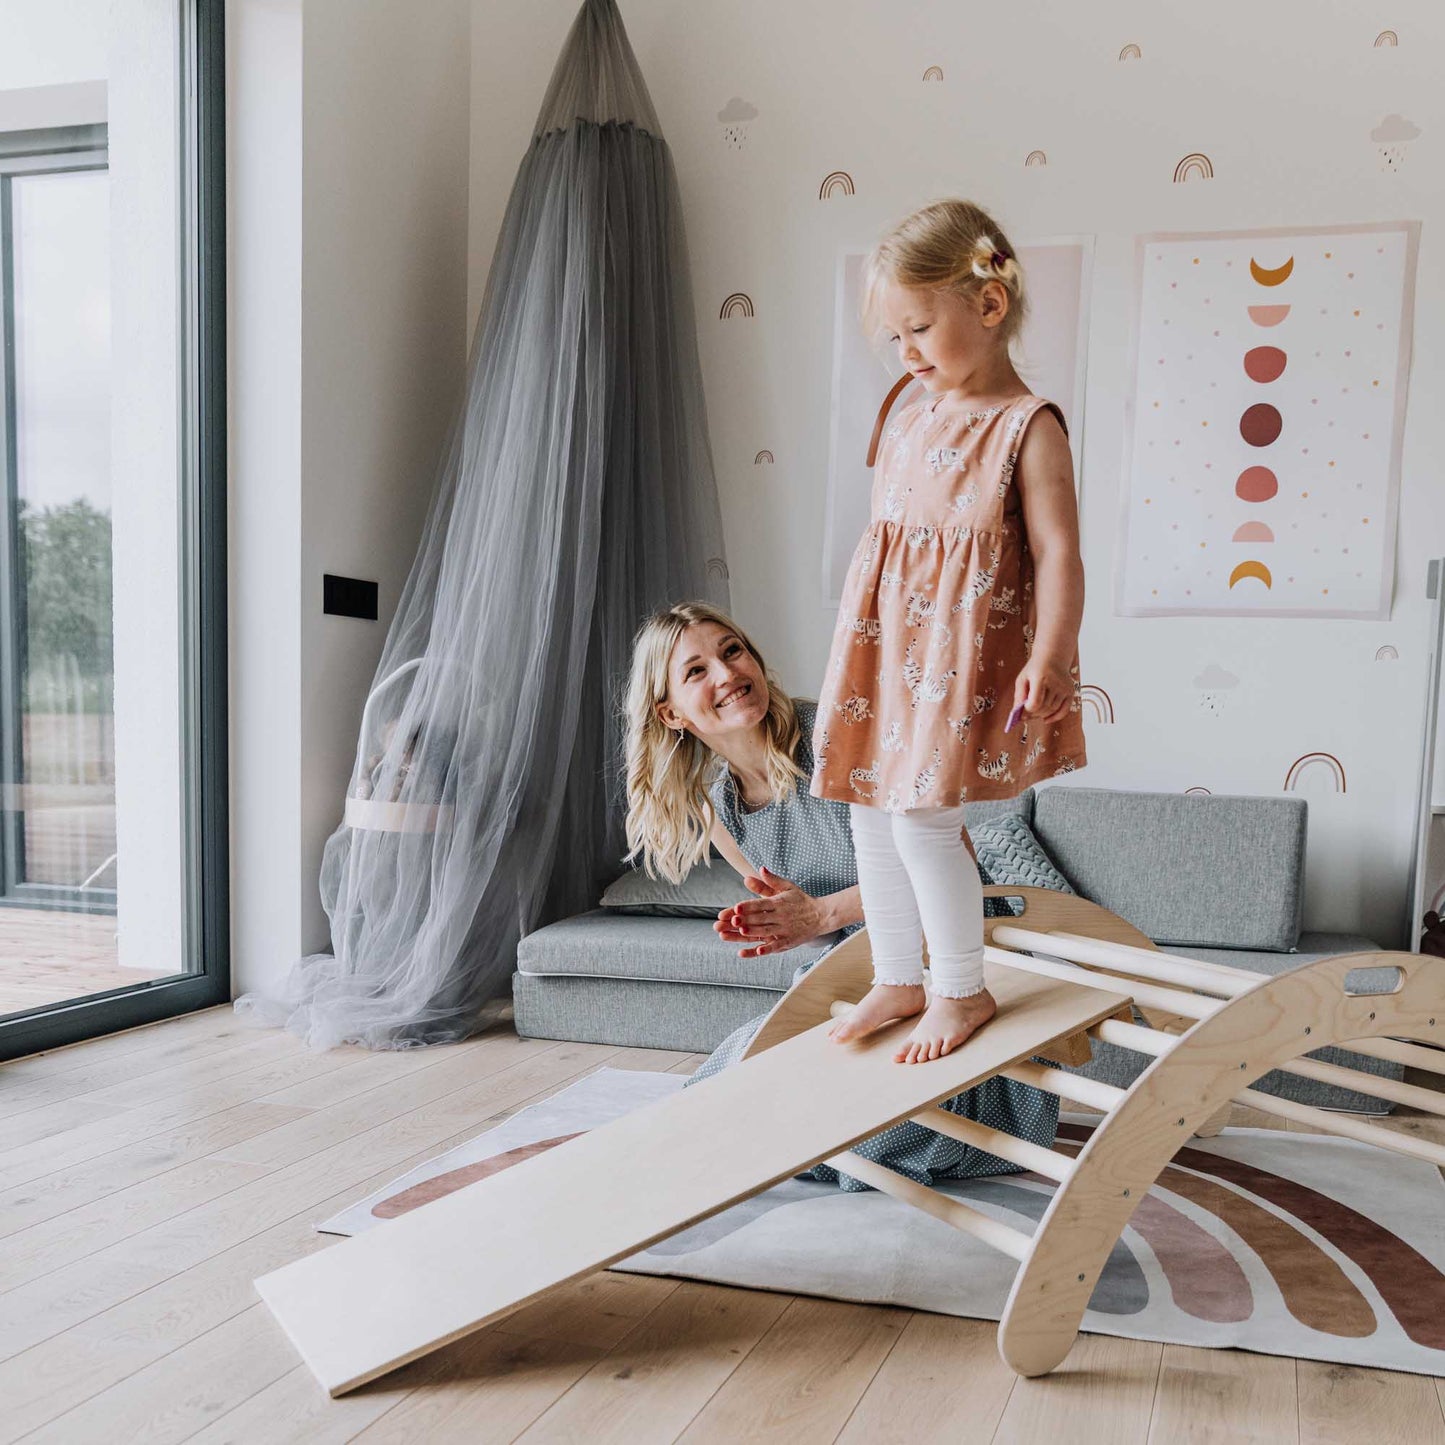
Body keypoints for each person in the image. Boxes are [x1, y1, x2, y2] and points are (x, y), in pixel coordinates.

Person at [622, 599, 1057, 1191]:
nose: (727, 675)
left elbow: (955, 861)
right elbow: (822, 932)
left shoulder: (839, 734)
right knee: (725, 1086)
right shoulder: (720, 811)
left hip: (949, 962)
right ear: (670, 713)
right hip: (859, 977)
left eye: (732, 651)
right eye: (696, 671)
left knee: (860, 1125)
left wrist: (819, 912)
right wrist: (784, 924)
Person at [814, 198, 1087, 1064]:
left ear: (989, 306)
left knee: (923, 817)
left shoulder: (1026, 425)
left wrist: (1050, 654)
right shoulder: (911, 414)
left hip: (956, 651)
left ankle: (959, 988)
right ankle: (896, 973)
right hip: (888, 646)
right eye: (895, 338)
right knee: (866, 801)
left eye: (920, 328)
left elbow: (1056, 553)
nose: (907, 353)